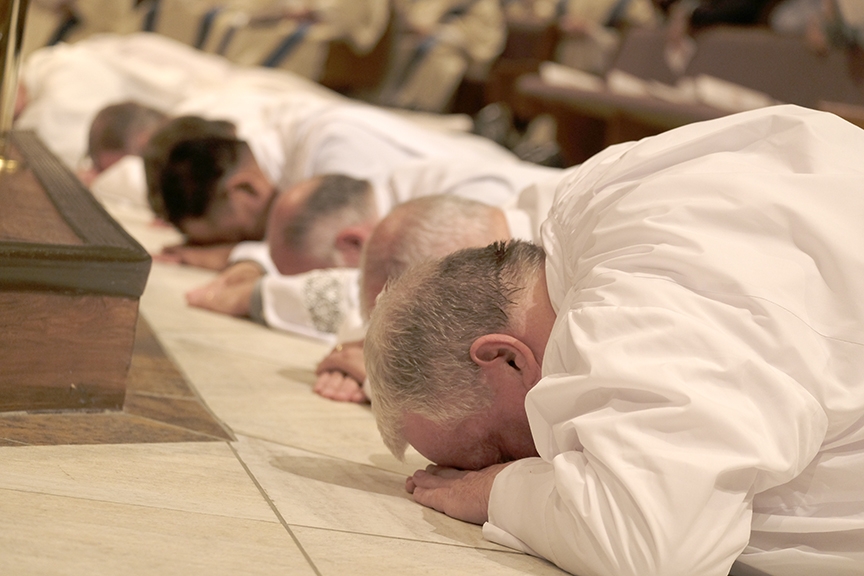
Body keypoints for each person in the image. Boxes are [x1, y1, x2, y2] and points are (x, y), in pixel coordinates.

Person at [363, 105, 864, 575]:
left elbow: (655, 551)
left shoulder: (635, 307)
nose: (505, 464)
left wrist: (495, 489)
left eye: (491, 450)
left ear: (505, 359)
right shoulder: (601, 192)